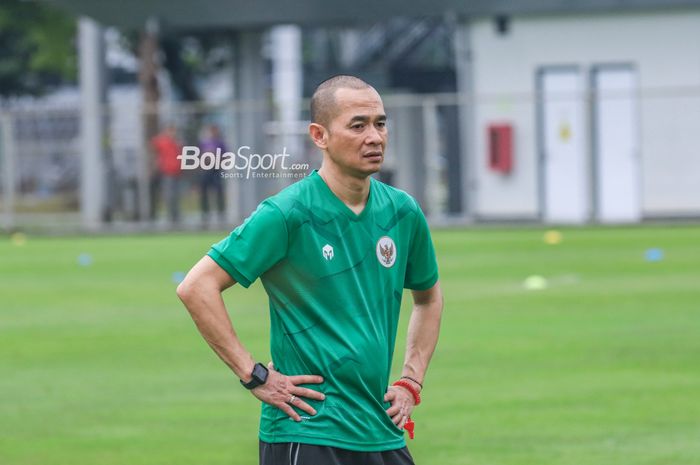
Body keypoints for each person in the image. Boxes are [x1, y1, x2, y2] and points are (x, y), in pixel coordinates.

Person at [177, 75, 443, 465]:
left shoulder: (403, 212)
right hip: (308, 431)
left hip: (380, 430)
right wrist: (253, 375)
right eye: (358, 125)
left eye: (380, 123)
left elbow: (429, 297)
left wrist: (410, 381)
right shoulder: (286, 214)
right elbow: (196, 286)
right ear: (319, 136)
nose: (374, 137)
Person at [151, 124, 182, 224]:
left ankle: (175, 215)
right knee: (169, 195)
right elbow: (153, 149)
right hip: (166, 172)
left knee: (176, 195)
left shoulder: (177, 142)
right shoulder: (161, 141)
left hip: (177, 172)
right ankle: (170, 215)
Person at [198, 124, 226, 227]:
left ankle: (221, 213)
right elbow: (199, 155)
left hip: (216, 170)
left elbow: (225, 155)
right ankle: (205, 213)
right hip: (206, 170)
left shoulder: (220, 143)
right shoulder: (204, 142)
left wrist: (218, 162)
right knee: (204, 192)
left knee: (219, 191)